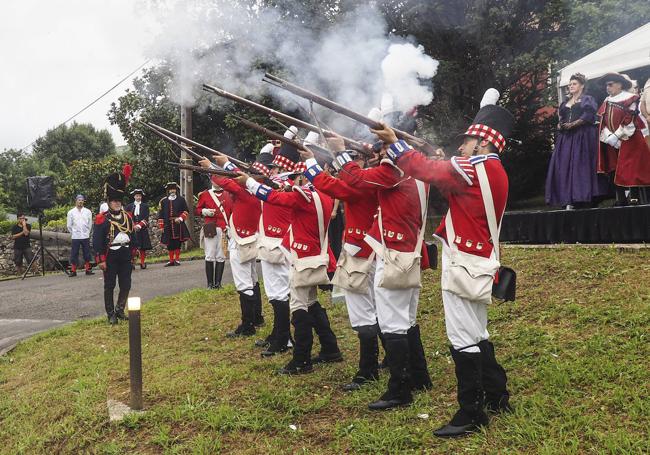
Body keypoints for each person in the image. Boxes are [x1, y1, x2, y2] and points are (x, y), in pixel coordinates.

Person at [376, 89, 514, 437]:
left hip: (464, 264)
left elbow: (424, 169)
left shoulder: (475, 166)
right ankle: (498, 397)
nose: (462, 147)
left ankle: (471, 412)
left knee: (463, 338)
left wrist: (395, 144)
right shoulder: (490, 169)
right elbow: (443, 180)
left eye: (467, 142)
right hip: (477, 262)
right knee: (478, 333)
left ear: (482, 144)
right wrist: (434, 161)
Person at [328, 134, 432, 410]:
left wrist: (340, 152)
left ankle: (400, 389)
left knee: (393, 324)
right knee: (406, 321)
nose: (379, 153)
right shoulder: (410, 169)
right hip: (405, 251)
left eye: (383, 147)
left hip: (395, 253)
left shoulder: (398, 169)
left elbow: (357, 180)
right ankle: (419, 377)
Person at [231, 157, 344, 375]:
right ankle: (330, 347)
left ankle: (301, 360)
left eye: (297, 177)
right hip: (315, 257)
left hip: (302, 258)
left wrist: (248, 182)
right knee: (312, 303)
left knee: (299, 308)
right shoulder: (323, 196)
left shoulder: (304, 197)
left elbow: (271, 196)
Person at [299, 138, 385, 391]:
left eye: (353, 159)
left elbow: (329, 184)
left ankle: (367, 371)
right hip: (369, 249)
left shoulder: (364, 180)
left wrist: (311, 163)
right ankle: (389, 358)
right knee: (379, 311)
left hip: (361, 252)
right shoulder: (372, 177)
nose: (347, 167)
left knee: (362, 313)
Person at [208, 154, 263, 338]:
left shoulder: (246, 192)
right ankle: (257, 317)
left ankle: (248, 325)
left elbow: (227, 183)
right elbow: (236, 179)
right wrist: (226, 163)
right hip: (249, 239)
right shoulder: (257, 191)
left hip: (240, 241)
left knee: (243, 283)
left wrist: (210, 167)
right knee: (252, 279)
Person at [249, 143, 294, 356]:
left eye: (276, 167)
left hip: (279, 246)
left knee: (280, 294)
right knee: (275, 294)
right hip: (271, 244)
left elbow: (263, 184)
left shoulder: (286, 185)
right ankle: (279, 333)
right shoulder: (279, 183)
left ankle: (284, 339)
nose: (273, 170)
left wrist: (230, 167)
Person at [545, 73, 608, 208]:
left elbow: (589, 115)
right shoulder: (565, 103)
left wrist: (574, 124)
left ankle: (584, 196)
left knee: (581, 165)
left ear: (582, 86)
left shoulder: (587, 99)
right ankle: (568, 198)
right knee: (565, 166)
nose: (571, 86)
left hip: (582, 136)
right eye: (570, 84)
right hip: (566, 138)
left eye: (574, 84)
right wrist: (560, 125)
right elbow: (562, 118)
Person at [597, 72, 650, 205]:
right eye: (606, 86)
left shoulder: (631, 98)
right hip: (610, 140)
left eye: (610, 85)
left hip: (630, 139)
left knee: (632, 168)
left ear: (619, 84)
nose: (607, 88)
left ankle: (634, 197)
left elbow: (630, 120)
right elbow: (603, 120)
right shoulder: (606, 100)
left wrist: (617, 136)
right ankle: (620, 198)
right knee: (614, 168)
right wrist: (608, 136)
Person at [93, 166, 134, 325]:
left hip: (125, 254)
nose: (117, 203)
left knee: (126, 284)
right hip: (110, 255)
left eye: (119, 201)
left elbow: (133, 236)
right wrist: (100, 259)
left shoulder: (128, 217)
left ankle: (119, 309)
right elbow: (96, 241)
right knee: (109, 285)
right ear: (109, 202)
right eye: (114, 201)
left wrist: (134, 253)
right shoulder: (101, 219)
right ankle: (110, 314)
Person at [195, 181, 229, 289]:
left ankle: (218, 283)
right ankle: (210, 284)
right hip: (210, 228)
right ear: (211, 180)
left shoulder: (228, 194)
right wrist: (205, 211)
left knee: (221, 256)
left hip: (224, 229)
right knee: (209, 255)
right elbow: (198, 209)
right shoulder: (205, 194)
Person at [157, 182, 191, 266]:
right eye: (171, 189)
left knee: (177, 242)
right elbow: (160, 214)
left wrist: (180, 218)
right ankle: (171, 260)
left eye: (174, 189)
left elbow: (186, 211)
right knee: (169, 243)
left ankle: (177, 259)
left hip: (178, 224)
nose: (172, 191)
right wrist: (161, 226)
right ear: (168, 191)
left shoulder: (181, 199)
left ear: (176, 190)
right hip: (167, 224)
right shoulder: (163, 201)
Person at [66, 194, 94, 277]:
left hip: (85, 235)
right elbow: (69, 225)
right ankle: (73, 270)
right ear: (76, 201)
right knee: (74, 253)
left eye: (82, 200)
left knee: (87, 253)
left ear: (83, 201)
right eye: (79, 200)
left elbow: (90, 224)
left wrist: (87, 232)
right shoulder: (71, 212)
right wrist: (74, 232)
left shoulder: (88, 211)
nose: (80, 201)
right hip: (76, 236)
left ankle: (88, 269)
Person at [125, 189, 152, 269]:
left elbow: (146, 218)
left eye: (139, 196)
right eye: (137, 196)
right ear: (134, 196)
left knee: (142, 247)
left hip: (142, 229)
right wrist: (132, 226)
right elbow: (127, 218)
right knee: (132, 247)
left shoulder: (145, 206)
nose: (138, 197)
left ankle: (142, 262)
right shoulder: (129, 206)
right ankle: (132, 262)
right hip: (132, 229)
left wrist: (139, 226)